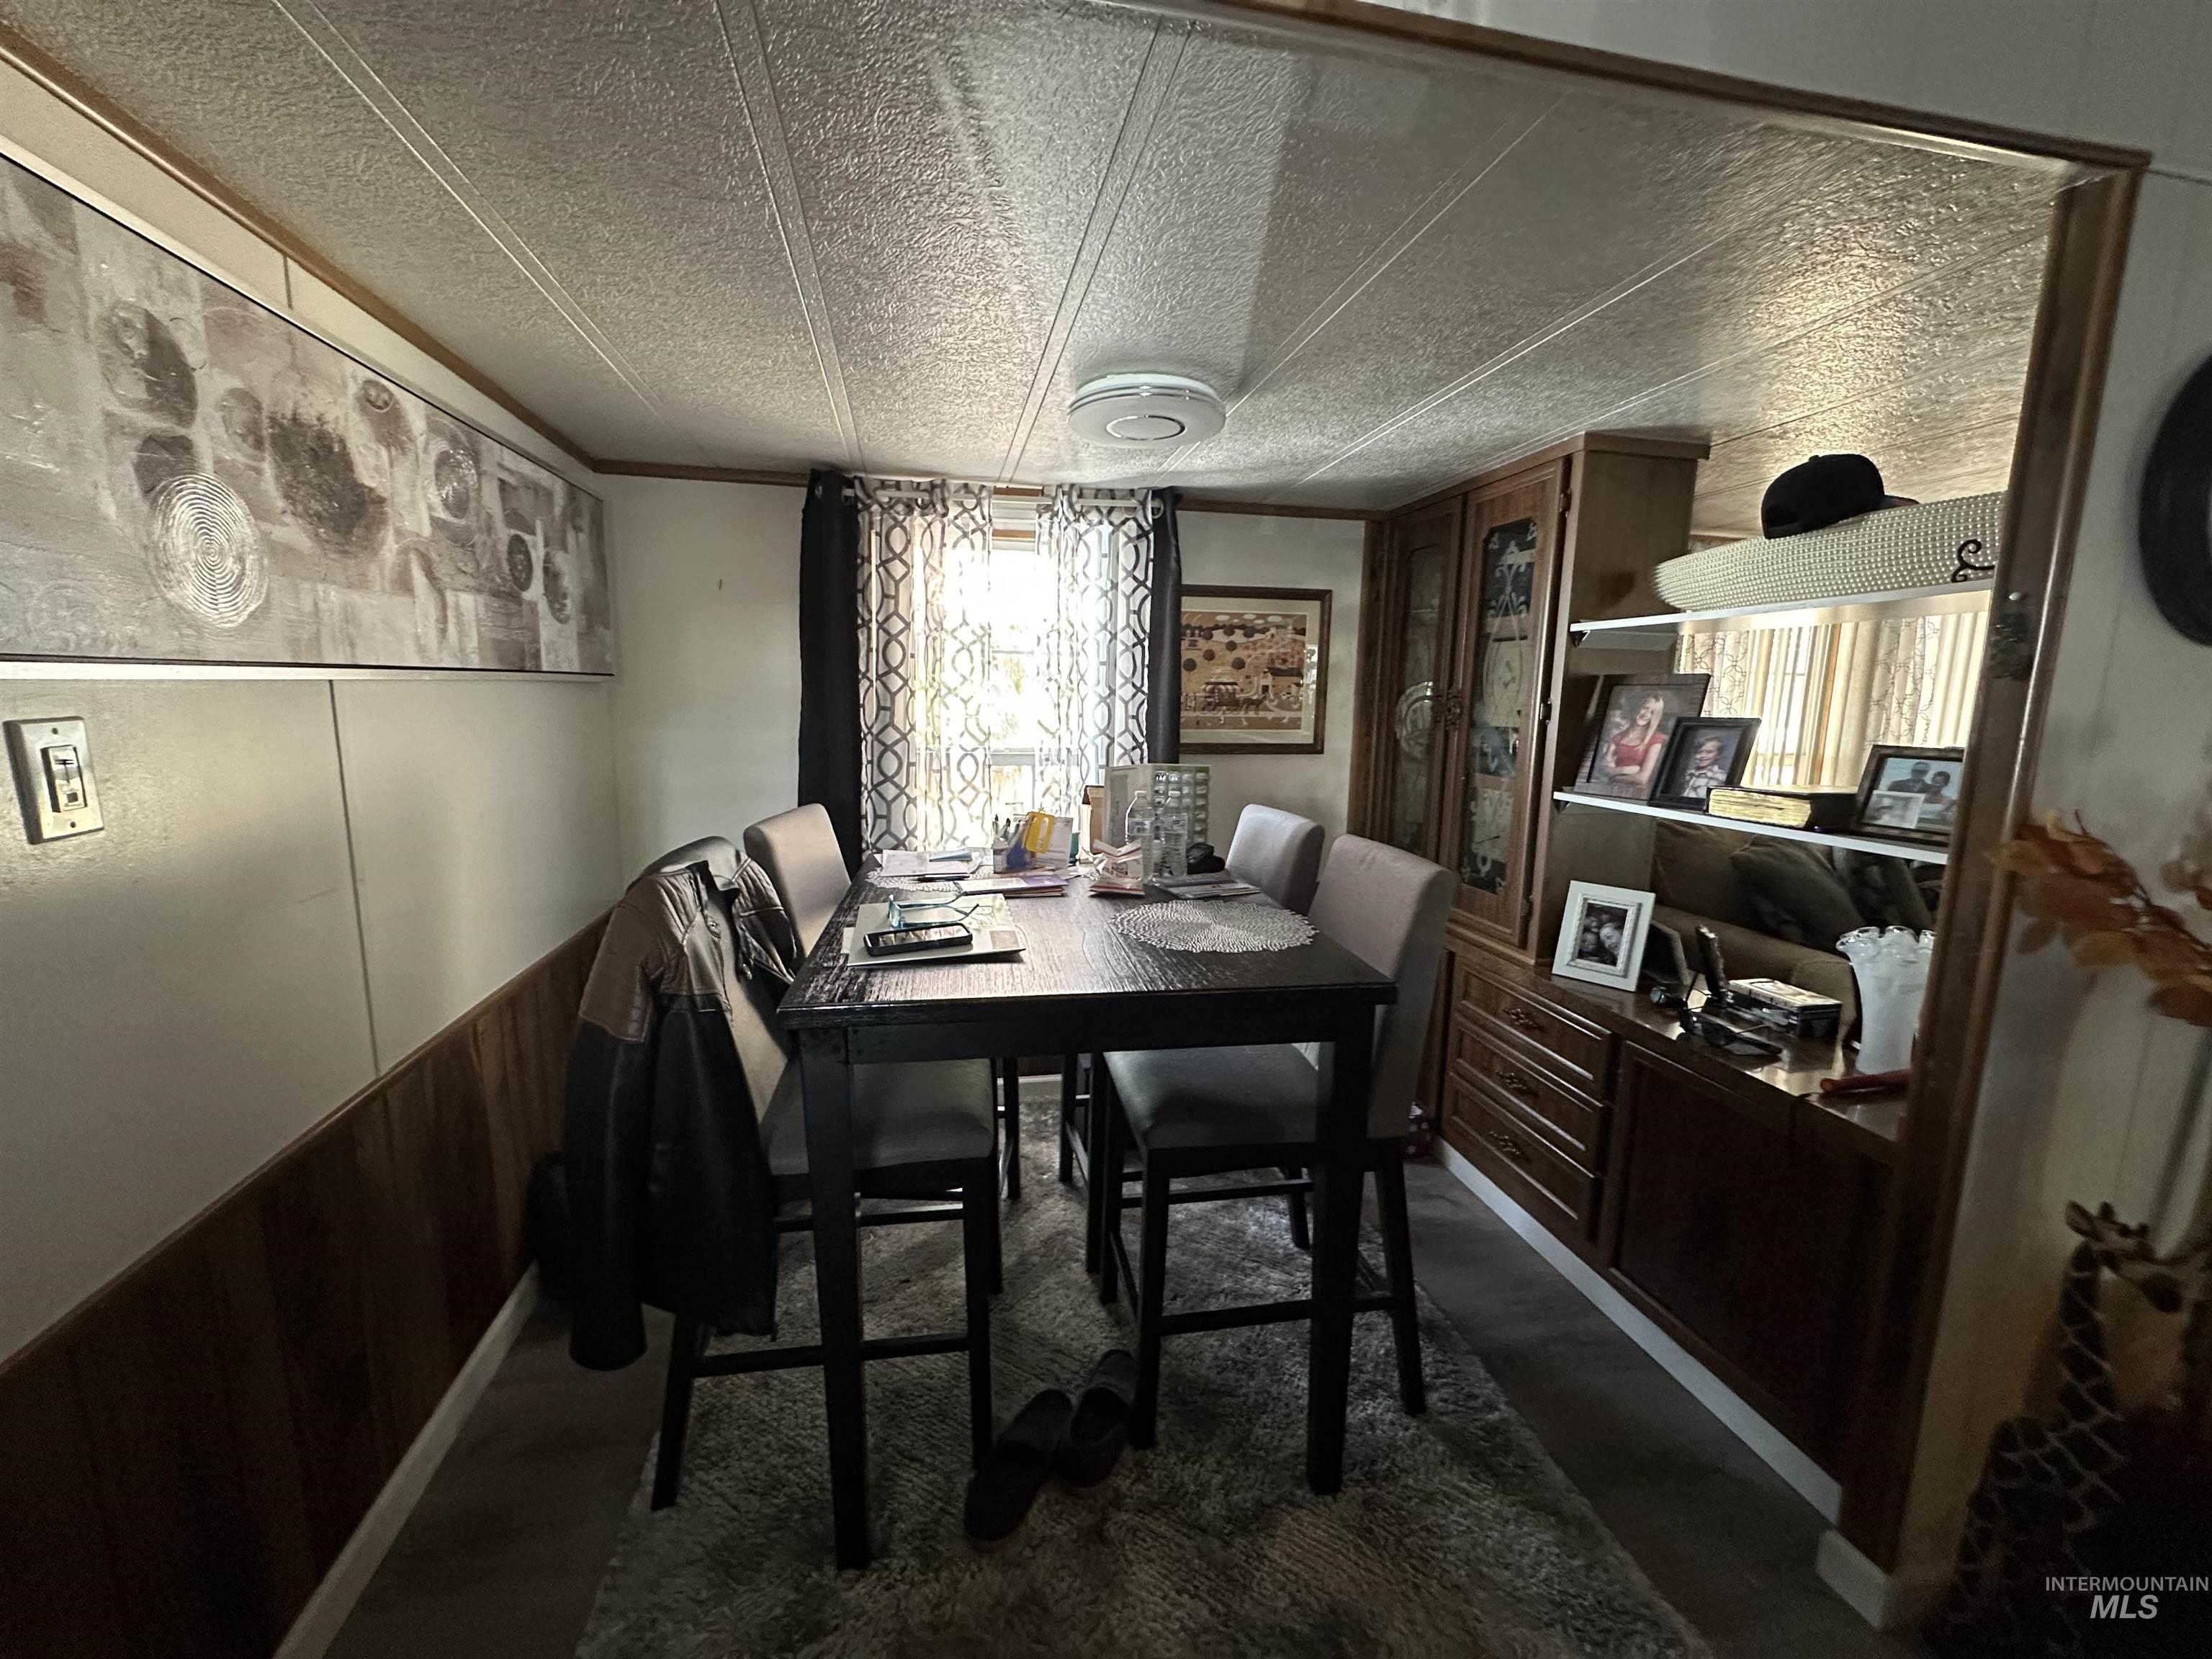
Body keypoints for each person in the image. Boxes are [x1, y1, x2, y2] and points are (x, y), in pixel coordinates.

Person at [1595, 693, 1671, 793]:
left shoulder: (1656, 739)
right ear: (1637, 708)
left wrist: (1614, 774)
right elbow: (1602, 769)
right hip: (1609, 791)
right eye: (1645, 708)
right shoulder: (1618, 737)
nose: (1646, 714)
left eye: (1652, 712)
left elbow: (1642, 779)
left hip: (1635, 794)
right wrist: (1630, 770)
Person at [1677, 734, 1730, 800]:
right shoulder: (1687, 774)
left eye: (1709, 752)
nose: (1703, 756)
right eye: (1699, 752)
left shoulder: (1722, 778)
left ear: (1718, 755)